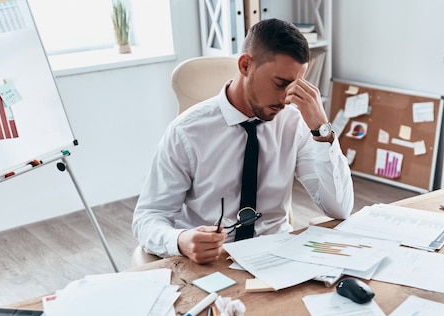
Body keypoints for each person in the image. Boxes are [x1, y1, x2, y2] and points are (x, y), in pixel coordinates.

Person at [132, 18, 354, 264]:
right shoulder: (186, 131)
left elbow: (340, 209)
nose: (286, 98)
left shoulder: (295, 123)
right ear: (246, 65)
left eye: (295, 85)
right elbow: (148, 217)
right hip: (210, 262)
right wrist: (181, 239)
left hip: (276, 257)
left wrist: (322, 131)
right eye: (280, 83)